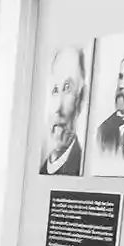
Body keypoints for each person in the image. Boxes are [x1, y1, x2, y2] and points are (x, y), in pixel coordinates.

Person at [38, 45, 87, 176]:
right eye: (55, 90)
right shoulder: (43, 169)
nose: (58, 108)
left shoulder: (80, 166)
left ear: (81, 98)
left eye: (67, 89)